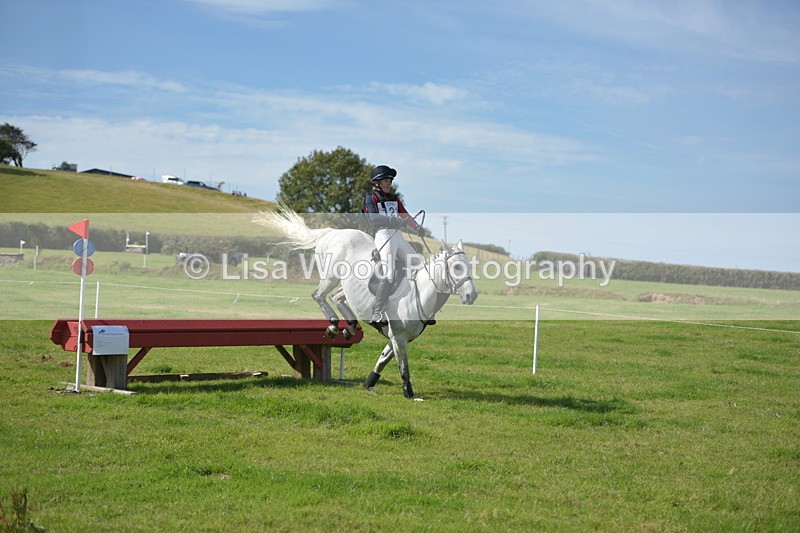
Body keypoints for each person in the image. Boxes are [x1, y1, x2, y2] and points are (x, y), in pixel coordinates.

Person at [364, 165, 424, 324]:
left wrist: (416, 227)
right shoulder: (371, 197)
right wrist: (392, 220)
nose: (389, 182)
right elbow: (373, 218)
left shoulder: (394, 198)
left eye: (390, 180)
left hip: (397, 235)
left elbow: (404, 215)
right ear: (377, 182)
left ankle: (415, 306)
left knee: (420, 264)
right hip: (383, 234)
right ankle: (377, 311)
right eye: (385, 180)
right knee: (389, 272)